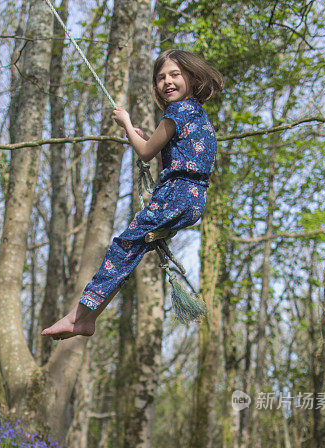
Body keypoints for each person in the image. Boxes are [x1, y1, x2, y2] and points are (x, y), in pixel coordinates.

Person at [42, 49, 224, 340]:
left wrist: (125, 122)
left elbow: (147, 152)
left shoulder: (177, 111)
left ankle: (77, 316)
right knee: (131, 249)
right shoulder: (196, 114)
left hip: (175, 194)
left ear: (191, 77)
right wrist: (139, 135)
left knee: (122, 247)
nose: (167, 82)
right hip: (193, 200)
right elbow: (162, 145)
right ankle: (90, 318)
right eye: (160, 77)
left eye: (175, 75)